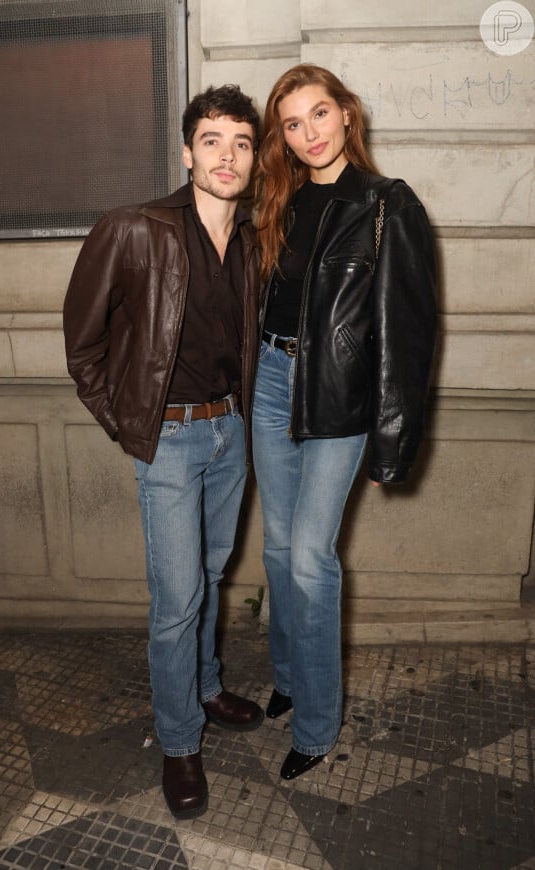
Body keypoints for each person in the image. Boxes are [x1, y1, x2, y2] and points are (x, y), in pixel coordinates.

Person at [63, 85, 263, 819]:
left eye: (241, 142)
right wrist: (129, 423)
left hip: (230, 433)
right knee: (176, 600)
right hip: (172, 440)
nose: (227, 155)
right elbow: (82, 341)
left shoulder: (251, 240)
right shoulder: (134, 228)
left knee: (209, 576)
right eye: (212, 140)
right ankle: (180, 741)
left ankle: (206, 689)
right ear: (187, 151)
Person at [252, 64, 437, 780]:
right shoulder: (279, 199)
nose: (308, 134)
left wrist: (393, 443)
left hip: (338, 397)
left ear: (347, 115)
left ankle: (318, 724)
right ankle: (291, 677)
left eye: (319, 115)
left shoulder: (388, 205)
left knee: (309, 556)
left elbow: (408, 333)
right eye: (292, 124)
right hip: (272, 381)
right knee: (274, 548)